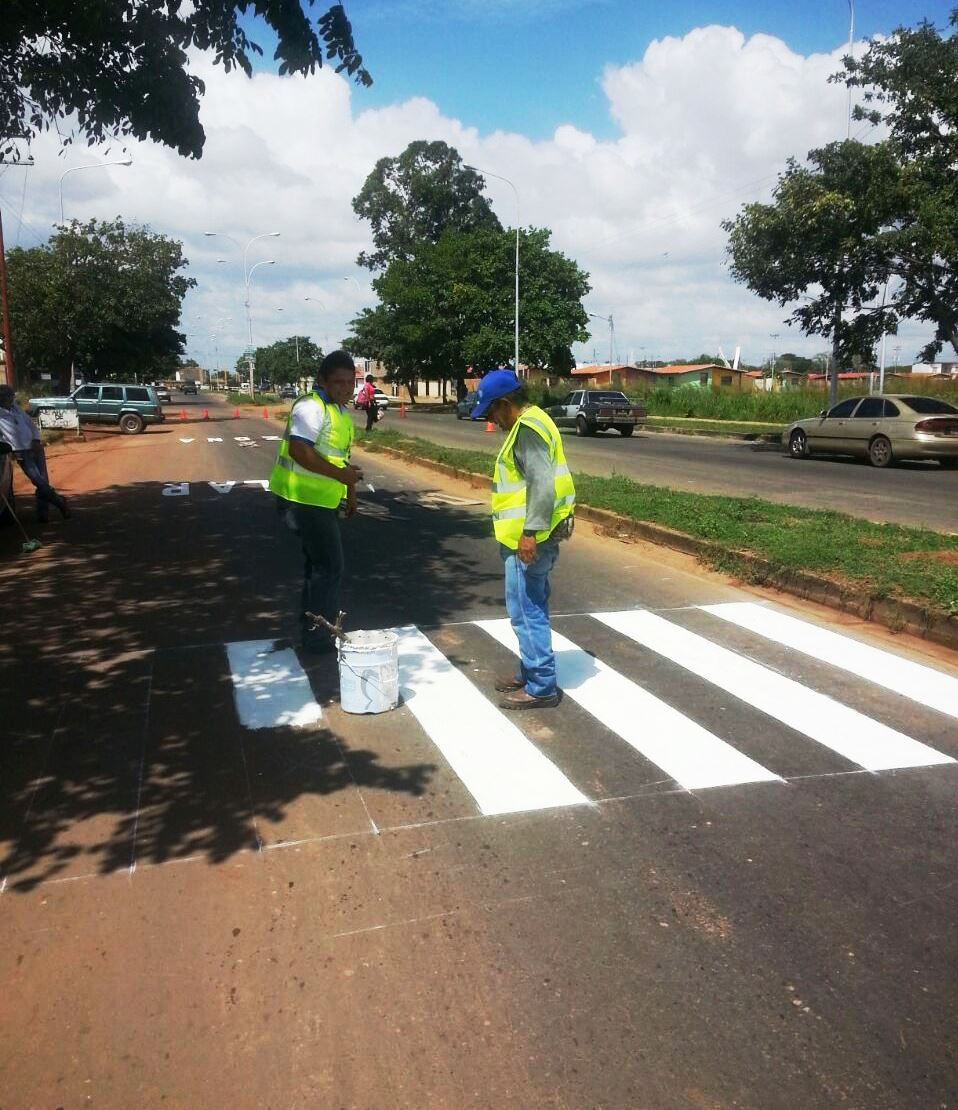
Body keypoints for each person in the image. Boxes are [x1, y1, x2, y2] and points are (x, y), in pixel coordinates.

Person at [471, 370, 575, 710]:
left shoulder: (527, 429)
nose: (491, 420)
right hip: (535, 535)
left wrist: (529, 533)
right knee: (532, 606)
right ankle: (531, 671)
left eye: (491, 412)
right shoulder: (533, 421)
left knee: (526, 611)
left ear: (505, 404)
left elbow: (542, 483)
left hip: (529, 540)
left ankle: (541, 685)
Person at [269, 351, 364, 654]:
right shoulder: (311, 407)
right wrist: (341, 475)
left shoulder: (339, 411)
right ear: (322, 379)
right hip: (301, 500)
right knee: (330, 567)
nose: (345, 388)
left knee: (319, 567)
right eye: (338, 381)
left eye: (350, 382)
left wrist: (350, 491)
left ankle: (313, 629)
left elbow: (343, 460)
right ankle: (318, 636)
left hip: (321, 502)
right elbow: (300, 451)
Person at [0, 385, 69, 523]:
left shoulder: (16, 409)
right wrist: (10, 450)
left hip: (35, 447)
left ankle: (43, 514)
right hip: (20, 451)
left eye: (11, 396)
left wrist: (36, 439)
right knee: (38, 481)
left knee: (43, 480)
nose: (10, 399)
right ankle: (60, 501)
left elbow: (30, 425)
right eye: (6, 397)